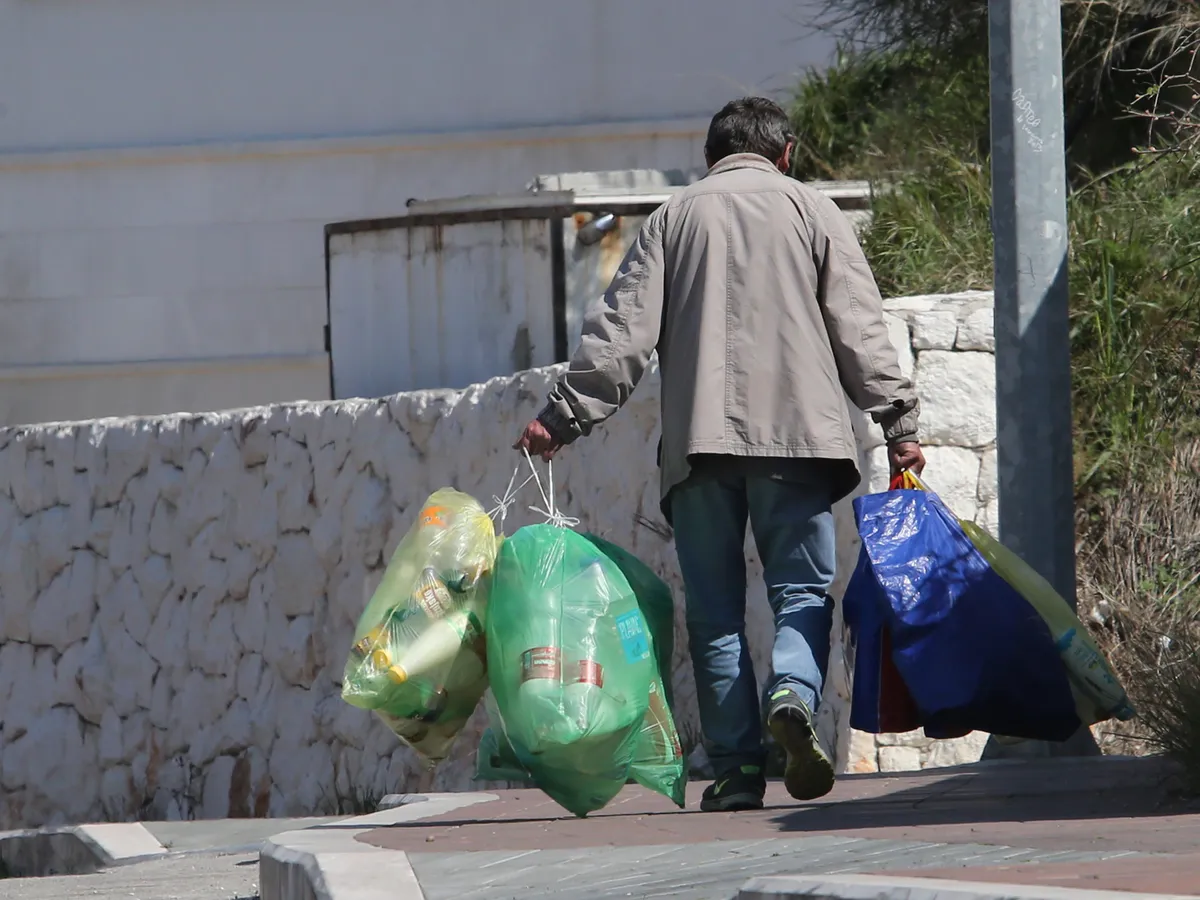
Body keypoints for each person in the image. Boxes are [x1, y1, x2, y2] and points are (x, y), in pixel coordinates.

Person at [514, 97, 925, 812]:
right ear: (786, 153)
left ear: (711, 157)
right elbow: (860, 328)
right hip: (799, 445)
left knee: (715, 614)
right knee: (799, 592)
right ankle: (791, 693)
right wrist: (899, 422)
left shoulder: (674, 218)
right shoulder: (813, 211)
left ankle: (736, 772)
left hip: (699, 450)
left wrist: (564, 415)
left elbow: (623, 336)